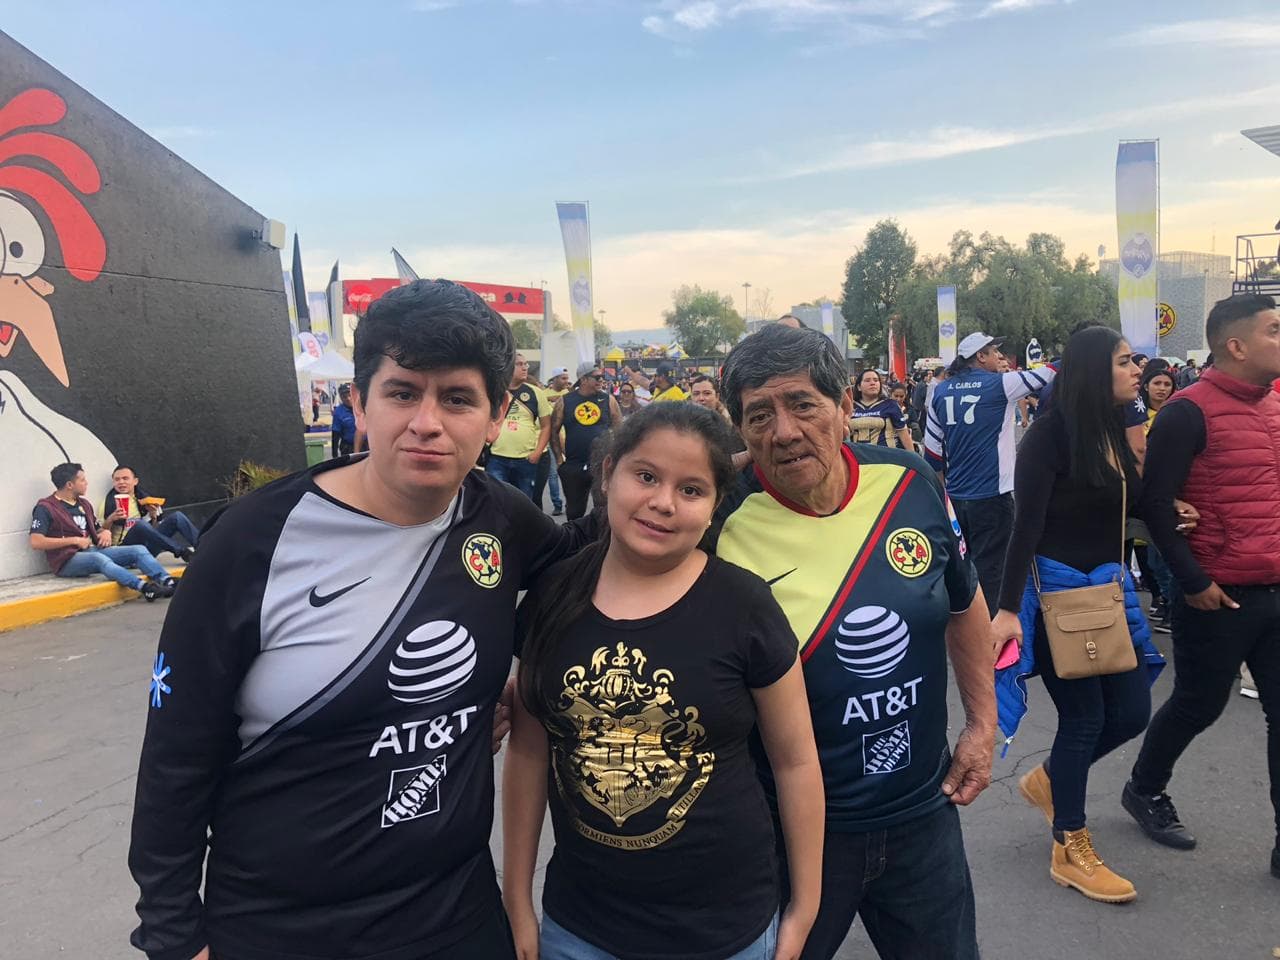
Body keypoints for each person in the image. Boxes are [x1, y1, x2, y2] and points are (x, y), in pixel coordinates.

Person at [128, 279, 601, 960]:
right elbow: (175, 758)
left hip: (455, 914)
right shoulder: (253, 540)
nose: (427, 422)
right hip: (282, 926)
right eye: (403, 392)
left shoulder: (496, 514)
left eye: (458, 398)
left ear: (498, 415)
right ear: (359, 402)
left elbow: (587, 563)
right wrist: (174, 937)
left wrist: (727, 475)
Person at [713, 323, 996, 960]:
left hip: (923, 811)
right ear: (740, 430)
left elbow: (964, 600)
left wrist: (983, 723)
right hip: (788, 831)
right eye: (760, 414)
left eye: (803, 404)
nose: (784, 431)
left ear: (845, 405)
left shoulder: (910, 482)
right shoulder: (715, 516)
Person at [504, 402, 824, 960]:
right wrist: (517, 901)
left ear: (715, 505)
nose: (662, 502)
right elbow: (529, 753)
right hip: (580, 928)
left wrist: (804, 910)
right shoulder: (553, 596)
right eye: (646, 476)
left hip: (729, 931)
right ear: (608, 476)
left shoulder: (745, 606)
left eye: (691, 488)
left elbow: (795, 762)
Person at [992, 326, 1167, 904]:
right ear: (1095, 370)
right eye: (1124, 361)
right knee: (1086, 720)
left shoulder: (1112, 429)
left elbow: (1134, 500)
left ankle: (1050, 781)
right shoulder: (1049, 434)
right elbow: (1026, 526)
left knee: (1133, 710)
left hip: (1108, 594)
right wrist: (1005, 611)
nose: (1136, 368)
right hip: (1059, 599)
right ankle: (1070, 846)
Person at [1125, 293, 1280, 880]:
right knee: (1199, 704)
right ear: (1236, 345)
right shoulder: (1189, 412)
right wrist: (1193, 581)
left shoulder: (1274, 406)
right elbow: (1155, 503)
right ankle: (1144, 789)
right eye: (1273, 330)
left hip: (1275, 587)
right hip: (1218, 595)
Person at [925, 332, 1056, 616]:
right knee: (993, 572)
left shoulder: (939, 390)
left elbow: (933, 454)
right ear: (979, 357)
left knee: (963, 570)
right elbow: (1051, 373)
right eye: (994, 350)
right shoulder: (1003, 384)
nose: (1000, 356)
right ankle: (995, 643)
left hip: (955, 498)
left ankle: (967, 630)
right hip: (993, 496)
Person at [29, 462, 173, 600]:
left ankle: (167, 581)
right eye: (83, 480)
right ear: (69, 485)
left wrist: (105, 532)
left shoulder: (84, 504)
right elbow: (36, 542)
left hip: (91, 550)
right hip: (66, 561)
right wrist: (74, 540)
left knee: (138, 550)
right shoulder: (46, 507)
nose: (86, 483)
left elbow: (98, 529)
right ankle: (146, 588)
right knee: (99, 559)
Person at [551, 365, 622, 521]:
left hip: (601, 464)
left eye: (602, 377)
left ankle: (602, 544)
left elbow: (620, 431)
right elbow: (553, 430)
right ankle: (575, 544)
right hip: (574, 464)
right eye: (597, 378)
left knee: (603, 509)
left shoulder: (608, 400)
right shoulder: (565, 401)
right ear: (583, 379)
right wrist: (558, 459)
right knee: (575, 511)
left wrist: (616, 459)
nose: (601, 380)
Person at [485, 352, 551, 501]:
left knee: (525, 504)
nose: (525, 368)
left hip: (525, 459)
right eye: (519, 364)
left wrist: (537, 453)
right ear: (508, 367)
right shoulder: (495, 391)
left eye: (526, 364)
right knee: (497, 501)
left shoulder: (536, 392)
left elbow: (547, 426)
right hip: (497, 458)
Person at [101, 465, 200, 562]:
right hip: (125, 550)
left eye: (125, 478)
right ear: (113, 482)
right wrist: (111, 518)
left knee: (177, 517)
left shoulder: (144, 499)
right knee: (139, 525)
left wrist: (153, 515)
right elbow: (100, 532)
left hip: (148, 547)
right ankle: (182, 552)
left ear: (135, 481)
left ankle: (203, 549)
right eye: (117, 479)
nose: (121, 482)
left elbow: (154, 532)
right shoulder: (107, 503)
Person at [534, 367, 571, 515]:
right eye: (563, 378)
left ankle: (572, 501)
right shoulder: (543, 395)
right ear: (554, 379)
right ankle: (557, 504)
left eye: (567, 378)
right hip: (550, 438)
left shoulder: (570, 395)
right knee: (553, 473)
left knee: (569, 474)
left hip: (568, 438)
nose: (566, 381)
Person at [849, 369, 911, 450]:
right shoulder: (850, 406)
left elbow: (903, 434)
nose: (872, 383)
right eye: (867, 380)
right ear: (859, 387)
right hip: (857, 458)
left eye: (876, 380)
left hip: (886, 458)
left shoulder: (891, 405)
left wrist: (913, 458)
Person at [331, 384, 358, 458]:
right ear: (341, 398)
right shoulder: (338, 412)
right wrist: (335, 455)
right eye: (344, 396)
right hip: (348, 447)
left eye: (350, 395)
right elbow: (335, 436)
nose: (348, 398)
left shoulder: (363, 407)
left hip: (366, 445)